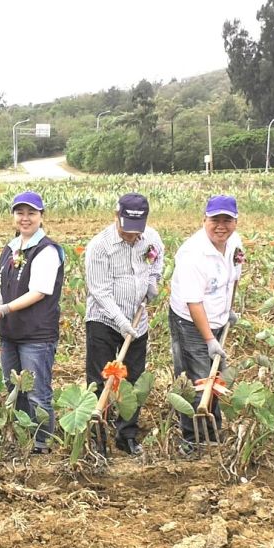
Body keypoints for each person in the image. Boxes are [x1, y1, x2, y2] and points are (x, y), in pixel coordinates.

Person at [84, 192, 165, 455]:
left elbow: (156, 263)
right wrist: (121, 322)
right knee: (100, 379)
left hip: (137, 322)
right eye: (126, 230)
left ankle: (125, 435)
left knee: (132, 379)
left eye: (136, 231)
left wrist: (153, 282)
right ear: (115, 216)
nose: (131, 236)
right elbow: (100, 291)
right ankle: (98, 437)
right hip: (104, 321)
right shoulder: (100, 246)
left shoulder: (151, 238)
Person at [0, 191, 65, 454]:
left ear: (41, 217)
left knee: (37, 392)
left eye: (31, 213)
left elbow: (39, 291)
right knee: (14, 389)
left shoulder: (47, 251)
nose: (25, 218)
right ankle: (23, 435)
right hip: (10, 333)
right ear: (13, 216)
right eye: (20, 213)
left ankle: (42, 443)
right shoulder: (10, 248)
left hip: (36, 335)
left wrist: (6, 308)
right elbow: (6, 286)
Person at [168, 195, 243, 446]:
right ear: (204, 220)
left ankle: (212, 430)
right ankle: (194, 439)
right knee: (197, 378)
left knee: (215, 375)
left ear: (235, 222)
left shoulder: (234, 243)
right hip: (190, 322)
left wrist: (228, 310)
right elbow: (193, 303)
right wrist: (209, 339)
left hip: (217, 316)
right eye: (215, 220)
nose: (221, 225)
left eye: (227, 220)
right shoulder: (192, 254)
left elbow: (233, 279)